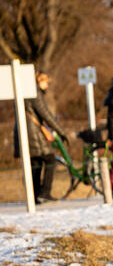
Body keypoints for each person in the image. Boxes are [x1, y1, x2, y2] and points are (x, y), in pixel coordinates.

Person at [13, 69, 73, 203]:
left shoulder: (24, 91)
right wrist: (61, 131)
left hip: (25, 132)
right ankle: (44, 192)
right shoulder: (34, 93)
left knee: (36, 163)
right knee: (50, 159)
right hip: (33, 133)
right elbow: (45, 114)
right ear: (39, 81)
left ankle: (34, 196)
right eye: (46, 82)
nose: (48, 85)